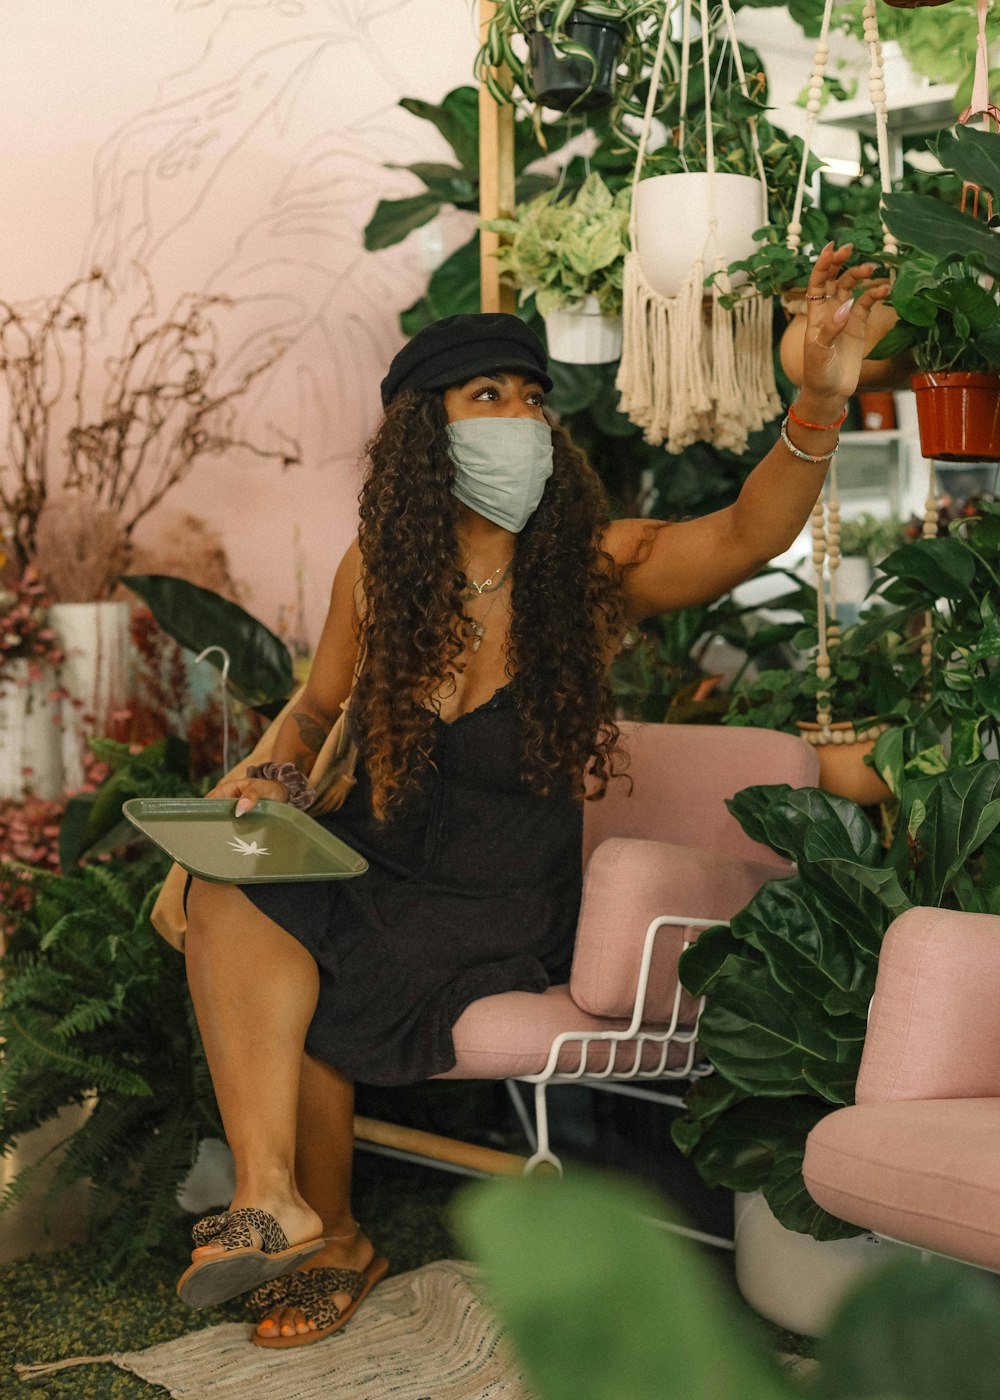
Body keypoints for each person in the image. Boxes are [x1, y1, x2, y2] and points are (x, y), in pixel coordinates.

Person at [179, 242, 888, 1346]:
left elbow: (749, 534)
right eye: (486, 394)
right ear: (428, 429)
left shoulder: (590, 567)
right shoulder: (377, 572)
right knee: (235, 896)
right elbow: (319, 705)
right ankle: (278, 1201)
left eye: (531, 396)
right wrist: (272, 768)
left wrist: (813, 398)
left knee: (321, 954)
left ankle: (339, 1243)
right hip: (383, 855)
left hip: (499, 897)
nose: (518, 415)